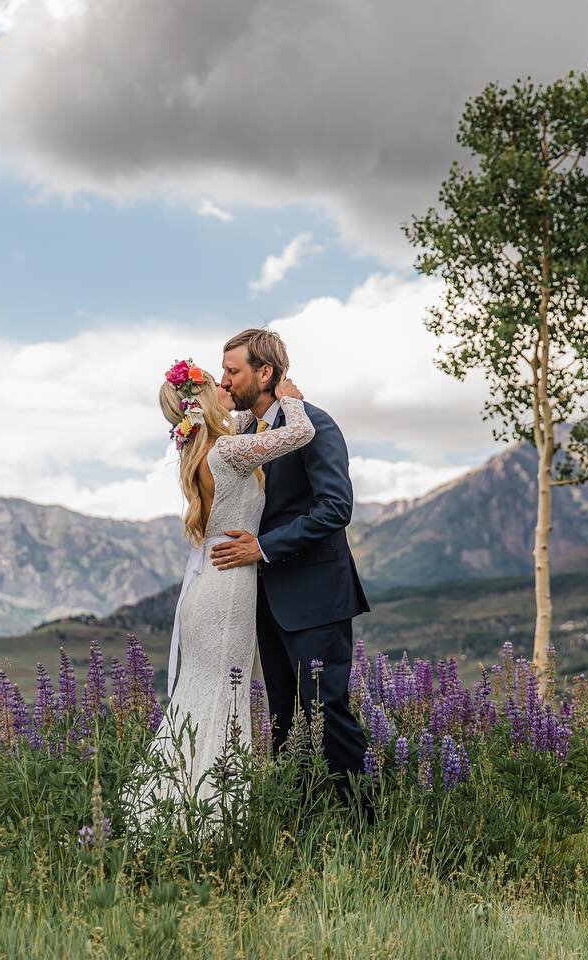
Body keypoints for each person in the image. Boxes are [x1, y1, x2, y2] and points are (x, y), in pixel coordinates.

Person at [127, 356, 315, 824]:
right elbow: (299, 435)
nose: (226, 387)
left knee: (200, 696)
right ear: (205, 400)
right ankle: (213, 820)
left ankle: (174, 810)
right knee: (221, 697)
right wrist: (292, 402)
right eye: (218, 384)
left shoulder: (205, 451)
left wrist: (239, 407)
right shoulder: (228, 452)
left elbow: (240, 422)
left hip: (206, 585)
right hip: (228, 588)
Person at [212, 329, 371, 810]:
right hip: (263, 598)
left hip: (315, 595)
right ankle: (295, 817)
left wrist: (262, 548)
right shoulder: (241, 435)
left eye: (233, 371)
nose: (225, 381)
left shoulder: (315, 423)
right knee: (281, 716)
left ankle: (362, 820)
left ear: (265, 373)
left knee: (328, 711)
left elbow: (334, 508)